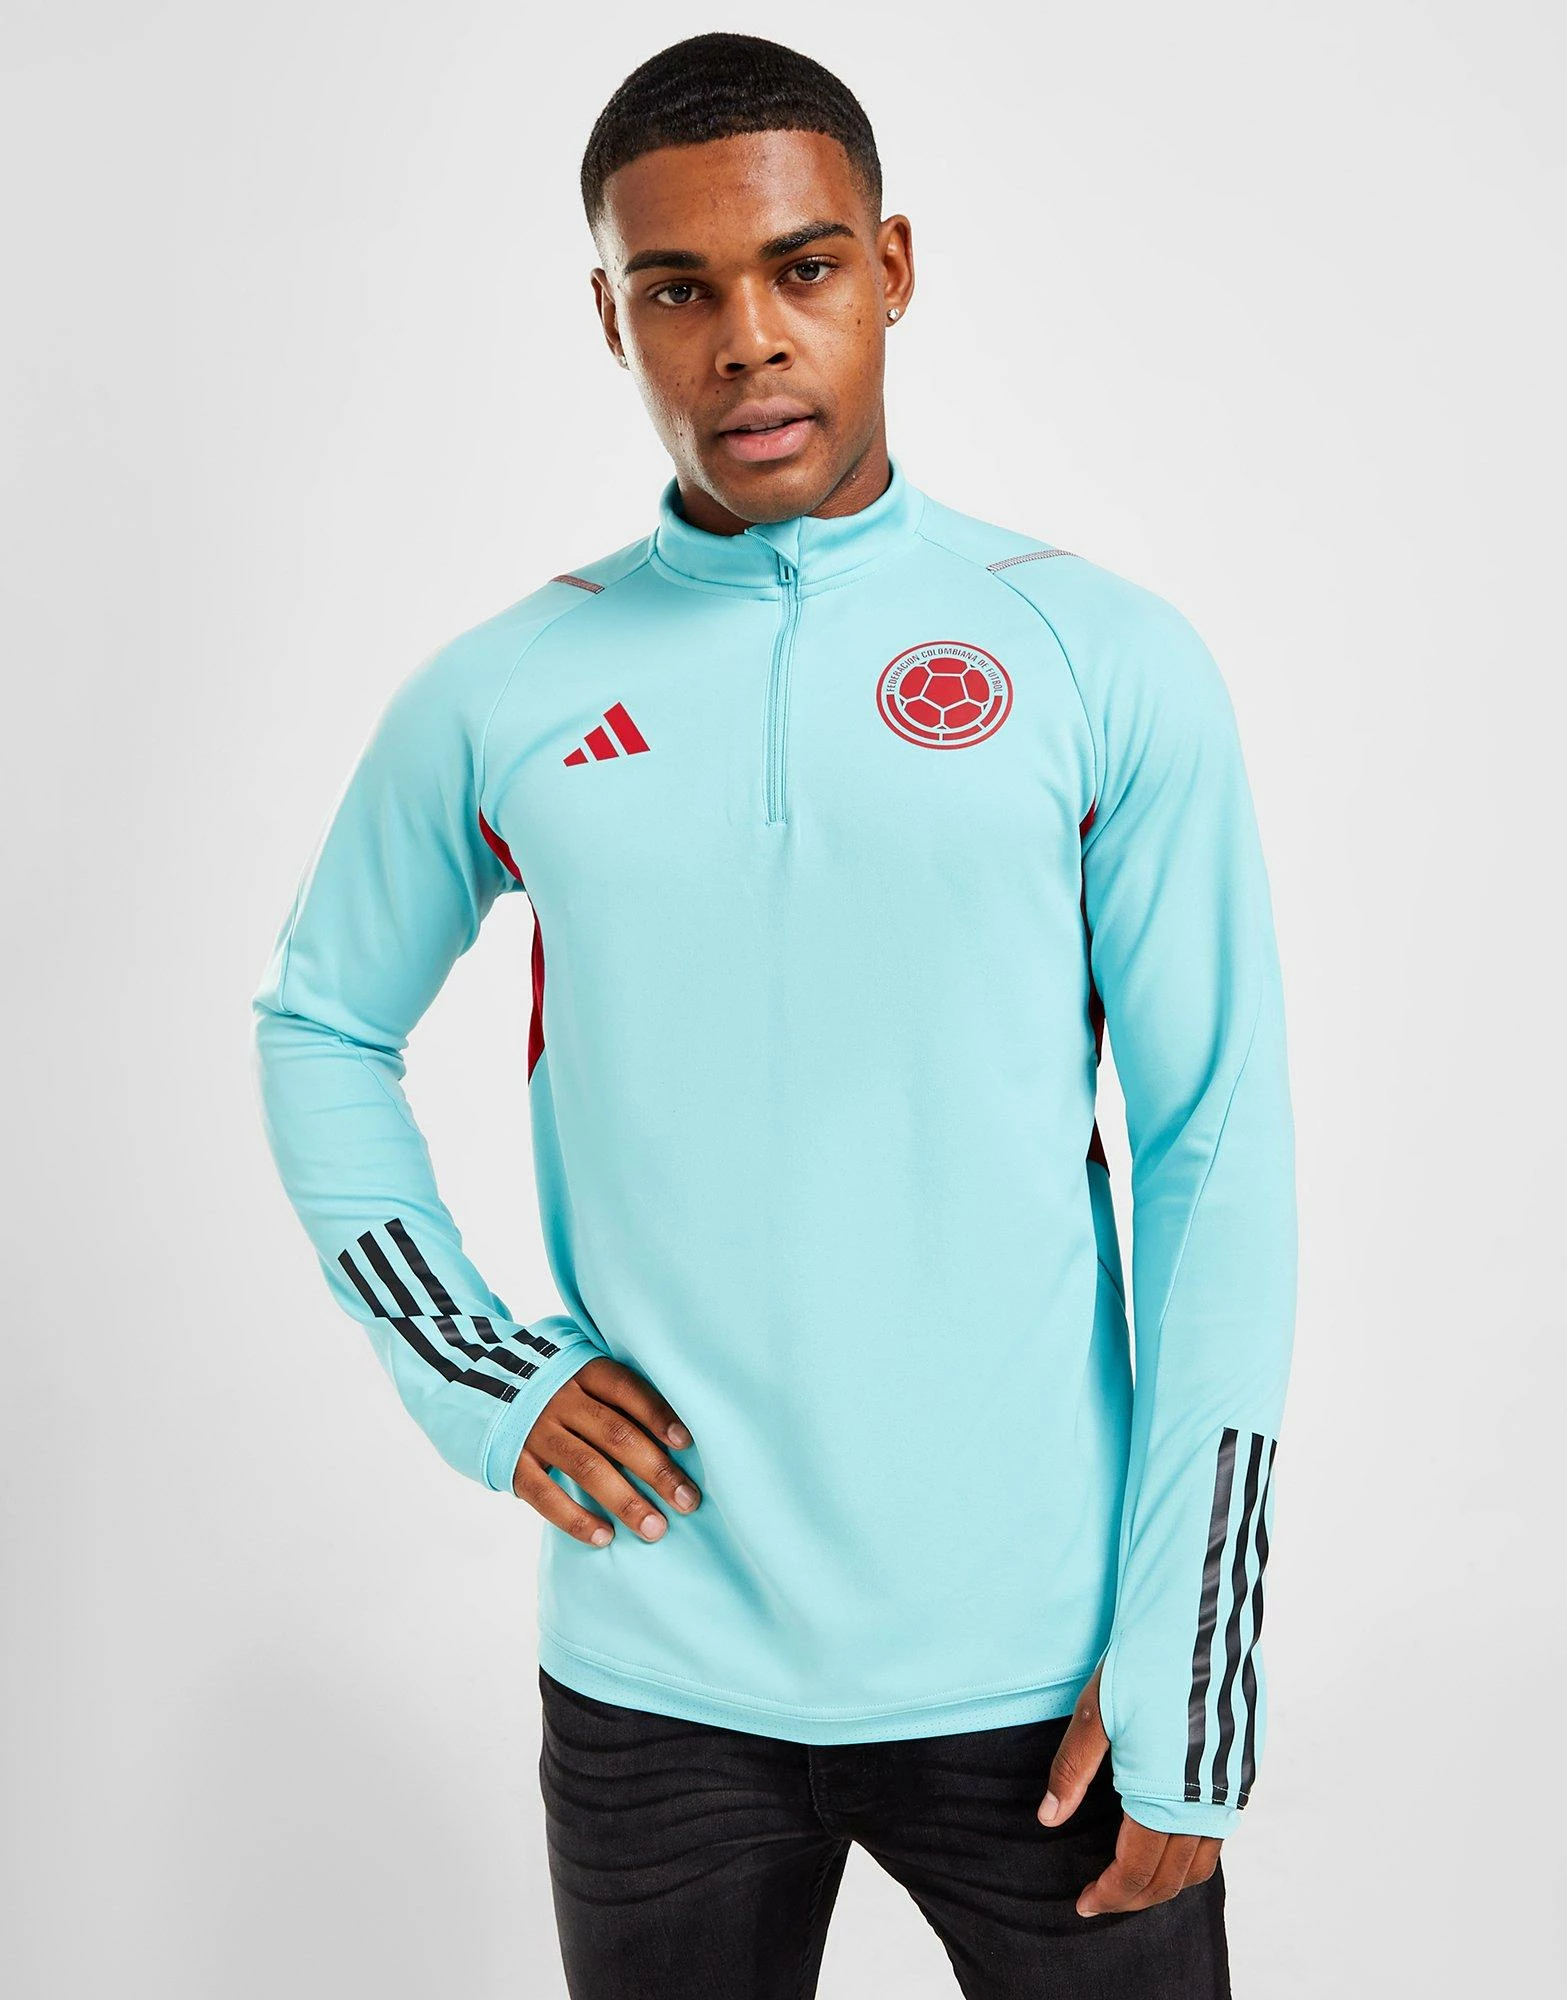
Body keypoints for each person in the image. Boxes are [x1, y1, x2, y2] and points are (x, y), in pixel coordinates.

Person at [250, 30, 1296, 2000]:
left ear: (888, 269)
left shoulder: (1095, 657)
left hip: (1050, 1676)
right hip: (657, 1683)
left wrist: (1193, 1653)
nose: (746, 341)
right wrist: (480, 1373)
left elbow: (1212, 1159)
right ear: (609, 315)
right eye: (677, 289)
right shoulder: (505, 690)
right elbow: (318, 1026)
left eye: (801, 268)